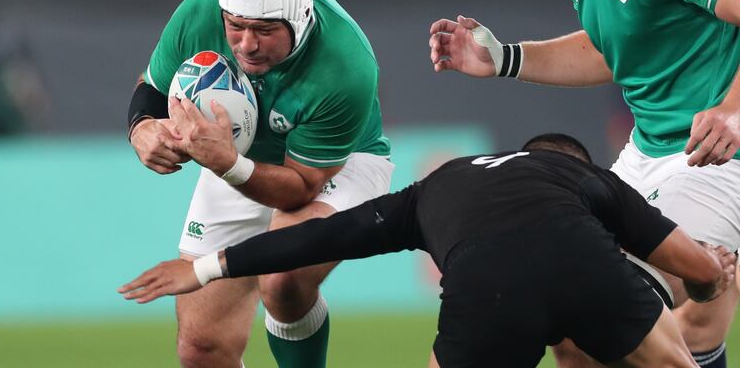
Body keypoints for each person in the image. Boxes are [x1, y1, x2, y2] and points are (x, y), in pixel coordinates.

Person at [428, 0, 740, 367]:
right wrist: (506, 58)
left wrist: (733, 108)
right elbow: (609, 49)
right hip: (648, 152)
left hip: (715, 160)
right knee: (570, 335)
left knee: (600, 317)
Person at [119, 133, 737, 368]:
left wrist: (206, 266)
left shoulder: (433, 187)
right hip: (586, 266)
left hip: (487, 288)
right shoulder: (589, 181)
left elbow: (319, 235)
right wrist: (713, 280)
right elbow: (692, 263)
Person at [127, 0, 392, 368]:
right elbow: (154, 87)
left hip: (337, 165)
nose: (246, 44)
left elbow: (300, 189)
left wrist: (228, 165)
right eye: (236, 26)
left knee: (283, 279)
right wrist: (141, 128)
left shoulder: (345, 64)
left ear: (300, 19)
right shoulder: (200, 9)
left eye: (265, 30)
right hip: (236, 156)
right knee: (201, 348)